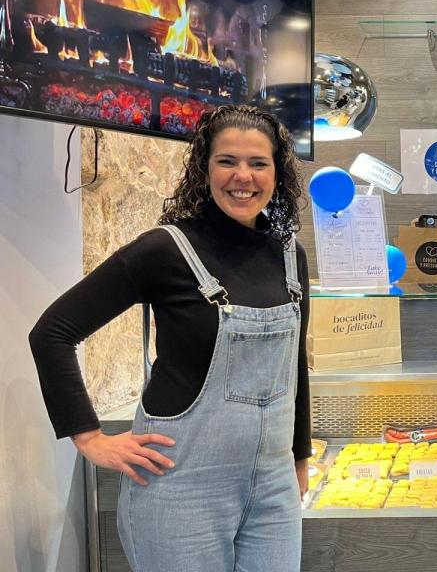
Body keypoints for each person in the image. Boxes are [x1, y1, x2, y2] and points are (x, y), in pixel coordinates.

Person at [29, 104, 311, 572]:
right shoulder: (164, 250)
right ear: (204, 169)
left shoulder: (289, 255)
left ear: (277, 173)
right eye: (227, 161)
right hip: (181, 489)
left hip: (274, 488)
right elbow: (53, 333)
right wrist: (89, 437)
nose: (243, 176)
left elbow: (295, 365)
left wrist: (298, 459)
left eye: (258, 163)